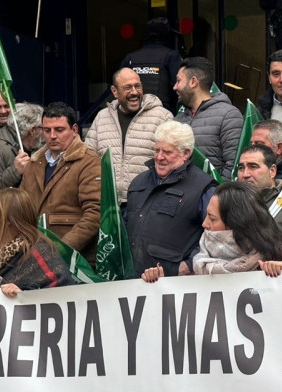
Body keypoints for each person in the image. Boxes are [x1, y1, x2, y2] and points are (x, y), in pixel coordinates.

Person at [141, 182, 282, 281]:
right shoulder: (200, 266)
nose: (204, 224)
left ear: (236, 223)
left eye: (212, 218)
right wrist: (159, 285)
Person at [123, 121, 217, 277]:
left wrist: (189, 265)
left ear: (186, 154)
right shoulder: (138, 182)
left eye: (167, 152)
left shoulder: (204, 188)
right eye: (156, 150)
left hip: (174, 282)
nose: (159, 157)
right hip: (132, 279)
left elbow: (215, 235)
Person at [13, 102, 101, 261]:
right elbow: (20, 208)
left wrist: (60, 250)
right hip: (34, 255)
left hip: (75, 260)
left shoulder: (89, 162)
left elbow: (94, 215)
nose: (52, 136)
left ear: (74, 130)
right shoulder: (34, 162)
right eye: (47, 130)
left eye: (59, 130)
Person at [85, 67, 174, 203]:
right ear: (114, 91)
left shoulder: (162, 117)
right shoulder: (101, 118)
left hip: (147, 202)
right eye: (128, 87)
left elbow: (174, 161)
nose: (134, 92)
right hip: (109, 205)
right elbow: (88, 160)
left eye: (137, 86)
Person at [174, 57, 244, 175]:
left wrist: (216, 187)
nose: (175, 87)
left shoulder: (229, 115)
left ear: (193, 82)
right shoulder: (177, 120)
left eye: (178, 81)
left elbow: (234, 166)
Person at [120, 18, 184, 114]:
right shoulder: (171, 56)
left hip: (133, 113)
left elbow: (119, 84)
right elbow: (180, 86)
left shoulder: (130, 57)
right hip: (162, 113)